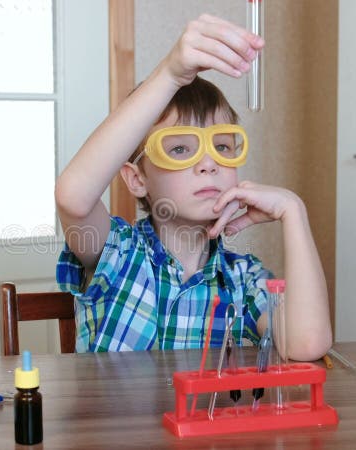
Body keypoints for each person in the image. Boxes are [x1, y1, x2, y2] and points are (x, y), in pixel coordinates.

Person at [54, 14, 331, 361]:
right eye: (180, 148)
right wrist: (170, 74)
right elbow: (73, 195)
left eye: (223, 146)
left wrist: (294, 211)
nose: (208, 162)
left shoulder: (242, 280)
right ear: (137, 179)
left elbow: (307, 344)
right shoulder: (116, 252)